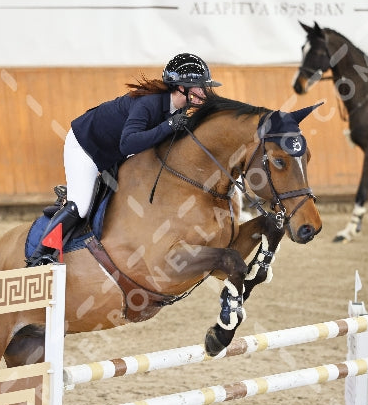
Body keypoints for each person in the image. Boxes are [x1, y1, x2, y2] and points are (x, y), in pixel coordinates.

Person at [27, 53, 222, 265]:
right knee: (81, 206)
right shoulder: (148, 104)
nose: (205, 92)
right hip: (86, 147)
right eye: (200, 87)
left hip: (113, 153)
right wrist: (167, 127)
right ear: (181, 87)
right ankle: (40, 255)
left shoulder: (179, 109)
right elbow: (128, 143)